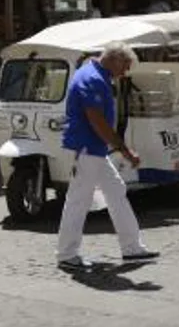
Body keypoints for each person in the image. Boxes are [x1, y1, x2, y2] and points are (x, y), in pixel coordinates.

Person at [56, 41, 158, 270]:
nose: (125, 73)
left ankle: (132, 248)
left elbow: (98, 122)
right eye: (125, 66)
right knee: (79, 200)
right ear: (115, 59)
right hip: (87, 148)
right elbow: (97, 121)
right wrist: (125, 151)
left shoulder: (92, 74)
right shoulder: (94, 79)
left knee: (115, 191)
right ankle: (66, 254)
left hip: (93, 149)